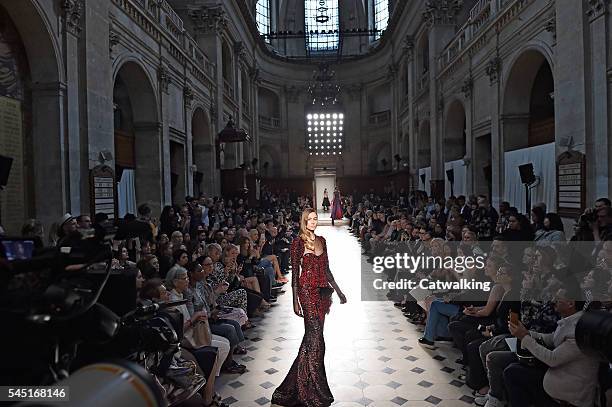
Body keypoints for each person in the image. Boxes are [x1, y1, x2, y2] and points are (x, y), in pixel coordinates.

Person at [271, 208, 347, 407]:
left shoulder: (322, 240)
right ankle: (314, 392)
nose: (313, 222)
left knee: (311, 341)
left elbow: (327, 270)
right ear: (304, 221)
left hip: (322, 293)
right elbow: (295, 275)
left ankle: (292, 388)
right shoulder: (298, 242)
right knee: (316, 341)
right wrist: (295, 301)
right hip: (306, 292)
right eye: (309, 219)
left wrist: (339, 291)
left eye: (315, 219)